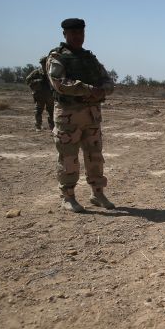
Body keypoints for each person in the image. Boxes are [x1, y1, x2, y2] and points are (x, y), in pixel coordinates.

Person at [45, 18, 115, 213]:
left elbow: (108, 81)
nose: (78, 37)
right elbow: (59, 83)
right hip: (68, 116)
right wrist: (89, 90)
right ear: (65, 35)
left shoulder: (89, 58)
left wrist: (103, 90)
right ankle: (68, 197)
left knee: (95, 156)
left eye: (81, 33)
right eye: (73, 34)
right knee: (68, 158)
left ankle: (97, 193)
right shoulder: (57, 57)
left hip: (91, 115)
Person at [25, 57, 55, 130]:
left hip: (50, 96)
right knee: (38, 111)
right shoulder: (37, 72)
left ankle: (52, 127)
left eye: (45, 63)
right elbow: (28, 80)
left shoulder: (51, 72)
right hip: (40, 95)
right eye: (42, 63)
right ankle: (38, 126)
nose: (44, 65)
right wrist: (37, 81)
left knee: (51, 112)